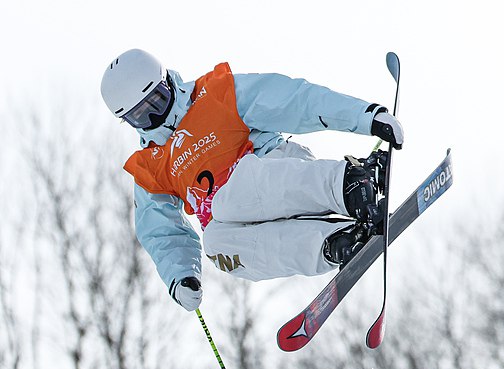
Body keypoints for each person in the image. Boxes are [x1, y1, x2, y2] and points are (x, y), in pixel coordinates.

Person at [100, 49, 403, 311]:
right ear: (128, 121)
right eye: (143, 116)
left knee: (226, 203)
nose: (157, 117)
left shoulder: (215, 95)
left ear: (168, 83)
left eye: (158, 100)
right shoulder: (150, 165)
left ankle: (350, 185)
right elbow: (160, 230)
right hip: (245, 216)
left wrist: (363, 117)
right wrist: (180, 276)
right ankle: (334, 243)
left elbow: (294, 101)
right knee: (217, 244)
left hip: (279, 172)